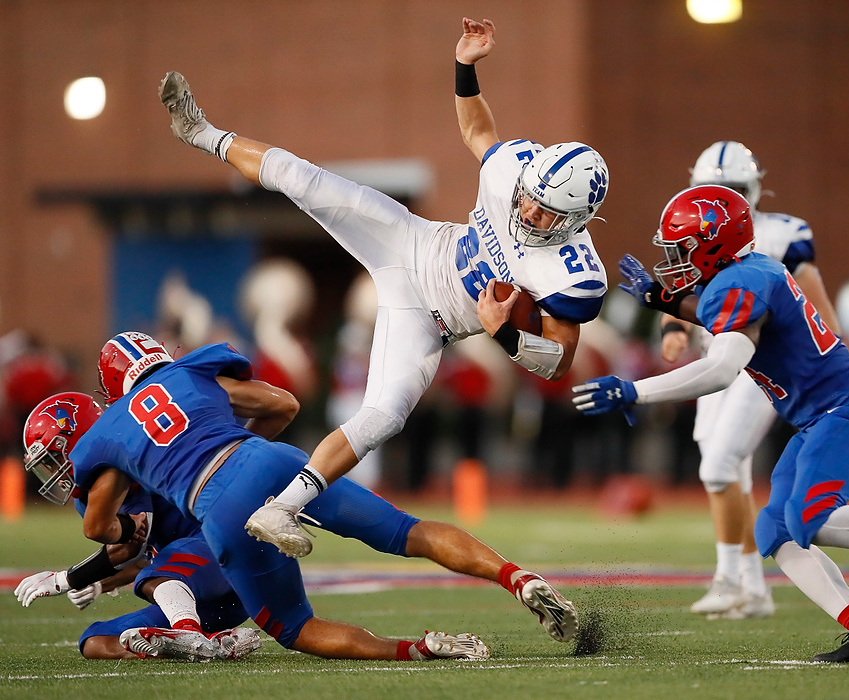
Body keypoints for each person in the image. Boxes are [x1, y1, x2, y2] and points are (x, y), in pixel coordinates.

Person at [156, 15, 609, 561]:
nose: (529, 210)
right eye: (530, 196)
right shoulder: (516, 171)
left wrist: (506, 338)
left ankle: (281, 507)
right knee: (305, 179)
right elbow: (477, 133)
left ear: (576, 219)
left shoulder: (573, 271)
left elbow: (559, 362)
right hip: (414, 243)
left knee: (383, 416)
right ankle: (200, 131)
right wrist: (464, 66)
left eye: (546, 211)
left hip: (431, 319)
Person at [572, 185, 849, 662]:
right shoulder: (749, 272)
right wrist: (660, 298)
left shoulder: (740, 284)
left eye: (682, 248)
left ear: (712, 242)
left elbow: (721, 369)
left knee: (810, 518)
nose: (675, 259)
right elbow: (712, 314)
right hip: (821, 418)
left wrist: (636, 390)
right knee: (775, 529)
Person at [66, 331, 581, 662]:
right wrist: (245, 450)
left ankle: (414, 650)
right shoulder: (192, 374)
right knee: (407, 531)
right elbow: (283, 404)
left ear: (112, 390)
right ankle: (519, 577)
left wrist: (119, 532)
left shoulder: (109, 429)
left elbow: (96, 527)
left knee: (296, 628)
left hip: (216, 499)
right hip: (272, 460)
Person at [658, 141, 842, 619]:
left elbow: (823, 313)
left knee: (719, 464)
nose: (719, 197)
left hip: (760, 365)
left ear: (753, 188)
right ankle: (752, 587)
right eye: (710, 188)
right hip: (715, 356)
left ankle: (727, 579)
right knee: (727, 473)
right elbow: (678, 295)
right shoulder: (691, 229)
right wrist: (673, 329)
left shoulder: (781, 236)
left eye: (731, 189)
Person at [16, 391, 261, 661]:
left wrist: (63, 580)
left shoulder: (120, 461)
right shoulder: (87, 495)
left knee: (157, 575)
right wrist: (100, 584)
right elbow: (145, 559)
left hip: (225, 556)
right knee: (94, 641)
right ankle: (206, 645)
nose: (52, 471)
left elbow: (131, 545)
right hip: (202, 593)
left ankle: (187, 631)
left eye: (54, 458)